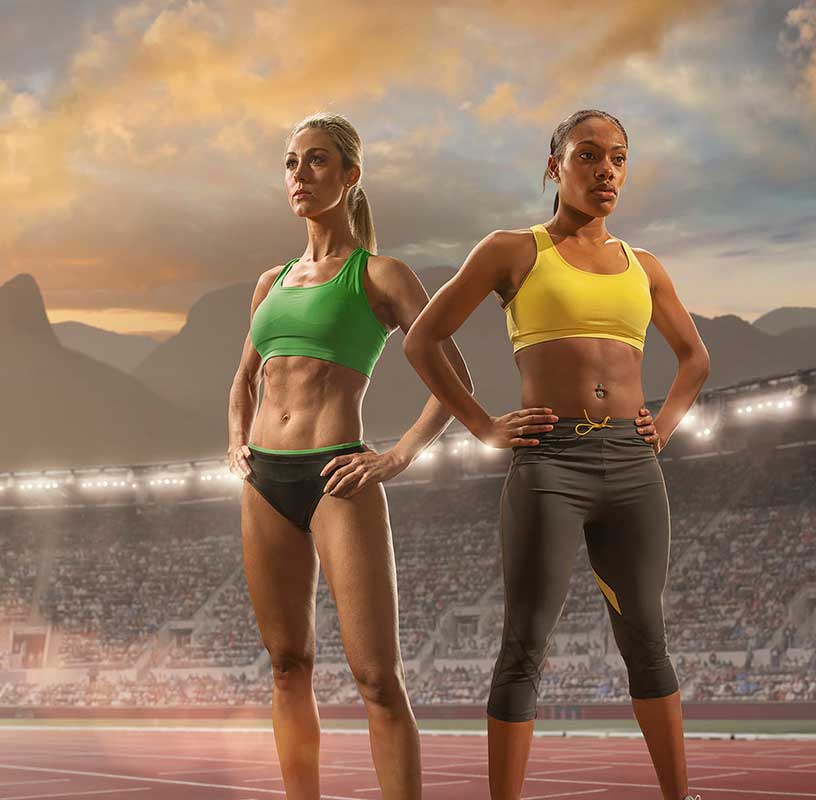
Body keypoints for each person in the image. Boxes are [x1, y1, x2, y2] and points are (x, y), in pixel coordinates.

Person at [403, 109, 710, 800]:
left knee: (648, 642)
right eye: (590, 155)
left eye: (620, 158)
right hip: (549, 466)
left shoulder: (645, 267)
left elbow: (695, 358)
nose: (607, 169)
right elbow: (422, 340)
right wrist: (482, 426)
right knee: (523, 646)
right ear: (554, 167)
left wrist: (662, 424)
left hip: (633, 467)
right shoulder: (514, 250)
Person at [227, 111, 472, 799]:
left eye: (316, 160)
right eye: (290, 163)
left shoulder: (381, 275)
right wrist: (235, 442)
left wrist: (396, 458)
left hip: (338, 475)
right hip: (264, 483)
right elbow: (242, 381)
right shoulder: (269, 282)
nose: (299, 174)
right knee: (286, 666)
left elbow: (457, 383)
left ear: (350, 175)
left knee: (376, 679)